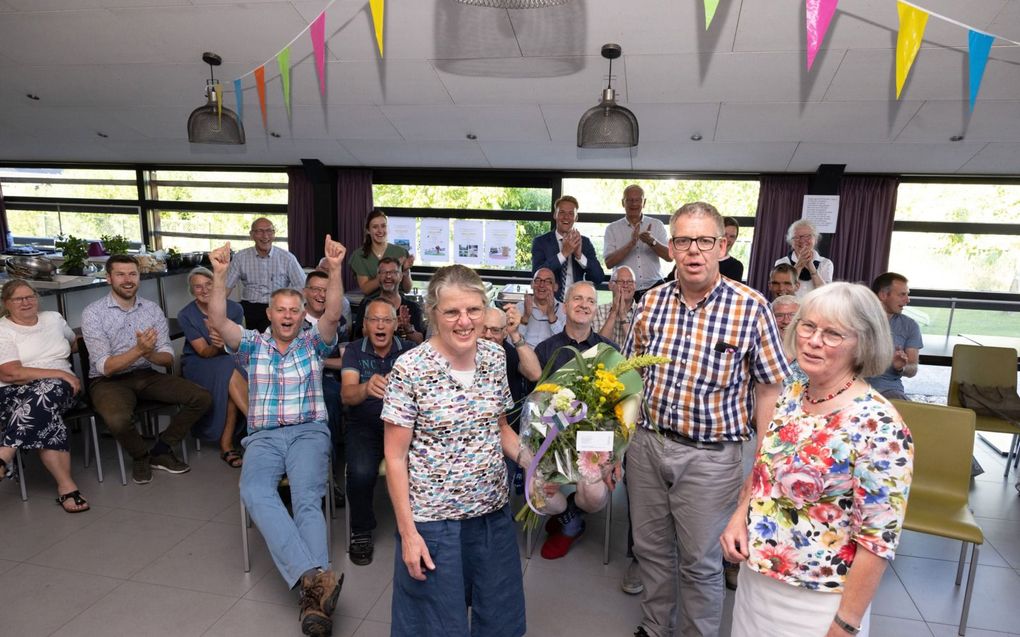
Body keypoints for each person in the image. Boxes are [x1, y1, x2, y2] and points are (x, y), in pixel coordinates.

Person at [625, 202, 790, 637]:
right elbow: (629, 376)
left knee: (699, 561)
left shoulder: (751, 307)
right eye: (683, 241)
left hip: (711, 458)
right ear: (672, 248)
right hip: (647, 446)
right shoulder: (650, 302)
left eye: (704, 241)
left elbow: (770, 388)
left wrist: (762, 463)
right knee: (651, 550)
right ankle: (655, 626)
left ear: (722, 246)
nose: (693, 251)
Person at [722, 282, 913, 637]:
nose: (812, 340)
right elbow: (763, 469)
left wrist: (845, 624)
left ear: (863, 343)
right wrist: (739, 517)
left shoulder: (880, 425)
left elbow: (877, 541)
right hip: (757, 582)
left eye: (832, 333)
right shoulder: (791, 395)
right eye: (808, 326)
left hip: (819, 603)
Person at [207, 237, 346, 637]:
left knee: (306, 500)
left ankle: (310, 598)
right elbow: (219, 320)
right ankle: (315, 580)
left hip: (308, 432)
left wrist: (334, 270)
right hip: (264, 438)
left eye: (294, 310)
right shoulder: (251, 345)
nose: (287, 316)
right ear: (268, 313)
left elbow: (334, 314)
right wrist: (220, 275)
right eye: (280, 310)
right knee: (254, 492)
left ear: (303, 313)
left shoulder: (312, 343)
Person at [382, 264, 527, 637]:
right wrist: (409, 534)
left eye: (473, 310)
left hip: (491, 518)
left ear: (485, 309)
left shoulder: (495, 359)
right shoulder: (410, 369)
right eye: (452, 312)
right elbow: (395, 458)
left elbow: (500, 429)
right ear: (433, 313)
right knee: (434, 627)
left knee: (497, 619)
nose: (464, 322)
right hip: (433, 525)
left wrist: (539, 463)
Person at [82, 255, 212, 485]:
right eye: (120, 274)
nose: (127, 279)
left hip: (145, 374)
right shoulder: (93, 313)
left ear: (139, 277)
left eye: (132, 274)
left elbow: (166, 358)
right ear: (108, 278)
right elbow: (105, 366)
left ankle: (161, 449)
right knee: (117, 419)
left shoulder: (151, 309)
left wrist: (148, 354)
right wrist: (139, 350)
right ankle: (141, 456)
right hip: (107, 381)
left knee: (201, 397)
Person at [533, 281, 620, 560]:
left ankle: (571, 520)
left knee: (595, 497)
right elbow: (534, 409)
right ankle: (566, 516)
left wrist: (617, 455)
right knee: (539, 494)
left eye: (590, 301)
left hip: (595, 446)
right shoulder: (546, 350)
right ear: (565, 304)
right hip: (553, 442)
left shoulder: (609, 351)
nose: (584, 305)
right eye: (577, 299)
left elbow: (621, 408)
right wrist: (540, 457)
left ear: (595, 308)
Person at [0, 279, 88, 513]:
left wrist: (60, 372)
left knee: (47, 393)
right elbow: (10, 373)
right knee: (47, 412)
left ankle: (4, 453)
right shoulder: (2, 329)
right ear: (6, 303)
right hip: (14, 393)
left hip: (61, 390)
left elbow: (75, 343)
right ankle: (66, 487)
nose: (26, 302)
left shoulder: (54, 318)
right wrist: (57, 371)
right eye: (18, 299)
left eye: (30, 296)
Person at [340, 298, 414, 566]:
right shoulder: (354, 352)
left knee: (428, 466)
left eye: (386, 320)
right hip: (364, 423)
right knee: (359, 471)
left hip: (404, 425)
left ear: (395, 324)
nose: (380, 325)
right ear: (365, 325)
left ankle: (421, 527)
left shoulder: (410, 351)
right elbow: (347, 395)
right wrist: (365, 388)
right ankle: (361, 529)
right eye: (374, 320)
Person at [179, 267, 249, 468]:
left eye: (208, 284)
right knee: (229, 368)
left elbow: (237, 345)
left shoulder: (234, 309)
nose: (204, 290)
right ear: (192, 292)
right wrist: (218, 346)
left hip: (230, 359)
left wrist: (225, 345)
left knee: (230, 372)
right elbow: (203, 352)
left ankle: (227, 444)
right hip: (198, 362)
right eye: (197, 287)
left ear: (217, 286)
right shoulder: (186, 314)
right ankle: (259, 427)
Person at [303, 269, 351, 504]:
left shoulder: (339, 321)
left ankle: (328, 477)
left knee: (328, 402)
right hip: (295, 379)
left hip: (327, 378)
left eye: (326, 290)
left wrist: (319, 361)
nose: (321, 295)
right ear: (305, 292)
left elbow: (345, 361)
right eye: (315, 289)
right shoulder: (292, 316)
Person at [225, 217, 308, 332]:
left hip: (277, 307)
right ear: (252, 235)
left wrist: (292, 308)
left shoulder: (287, 258)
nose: (265, 236)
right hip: (249, 307)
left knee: (269, 335)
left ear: (274, 234)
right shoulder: (240, 257)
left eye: (269, 231)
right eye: (259, 231)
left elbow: (303, 287)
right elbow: (225, 287)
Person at [531, 195, 604, 301]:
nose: (566, 217)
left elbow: (598, 278)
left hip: (576, 303)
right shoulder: (540, 242)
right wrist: (563, 254)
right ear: (555, 215)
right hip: (549, 302)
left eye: (571, 213)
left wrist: (579, 256)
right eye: (562, 212)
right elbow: (536, 274)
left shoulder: (585, 243)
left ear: (576, 217)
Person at [604, 185, 670, 300]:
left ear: (644, 202)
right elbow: (609, 263)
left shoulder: (657, 225)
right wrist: (631, 244)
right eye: (629, 200)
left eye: (637, 200)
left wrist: (651, 241)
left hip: (655, 287)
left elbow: (670, 256)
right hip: (624, 289)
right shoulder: (612, 228)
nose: (633, 203)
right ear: (623, 203)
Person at [866, 272, 922, 400]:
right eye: (902, 294)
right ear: (883, 295)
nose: (908, 300)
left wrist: (901, 367)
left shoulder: (910, 326)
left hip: (889, 390)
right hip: (851, 387)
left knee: (906, 414)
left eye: (907, 294)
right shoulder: (855, 319)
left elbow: (913, 369)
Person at [352, 257, 423, 344]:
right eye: (384, 272)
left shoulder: (412, 307)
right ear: (378, 277)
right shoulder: (367, 304)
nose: (388, 276)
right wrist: (390, 325)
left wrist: (407, 327)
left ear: (401, 277)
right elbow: (359, 338)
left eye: (393, 272)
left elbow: (420, 342)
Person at [348, 209, 413, 296]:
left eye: (383, 226)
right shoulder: (359, 255)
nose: (380, 230)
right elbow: (366, 289)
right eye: (375, 227)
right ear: (368, 230)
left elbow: (407, 289)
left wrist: (405, 270)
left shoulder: (400, 252)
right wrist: (392, 270)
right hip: (372, 304)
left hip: (397, 303)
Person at [774, 219, 833, 297]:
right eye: (796, 237)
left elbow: (826, 294)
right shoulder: (781, 263)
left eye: (808, 236)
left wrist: (811, 266)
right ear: (791, 242)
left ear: (815, 239)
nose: (802, 240)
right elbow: (782, 291)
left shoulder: (826, 263)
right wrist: (799, 265)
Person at [516, 267, 565, 347]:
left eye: (548, 282)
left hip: (553, 357)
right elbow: (512, 342)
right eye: (538, 280)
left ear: (555, 287)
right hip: (525, 356)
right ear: (532, 284)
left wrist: (552, 316)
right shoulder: (519, 307)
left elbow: (564, 343)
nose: (542, 285)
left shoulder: (564, 310)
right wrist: (525, 317)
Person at [594, 265, 638, 346]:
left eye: (630, 282)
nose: (625, 285)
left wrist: (623, 318)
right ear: (610, 285)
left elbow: (637, 348)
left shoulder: (642, 312)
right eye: (621, 282)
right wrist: (614, 312)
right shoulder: (598, 310)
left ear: (635, 286)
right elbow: (599, 347)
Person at [718, 216, 745, 281]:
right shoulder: (702, 260)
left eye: (732, 236)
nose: (727, 240)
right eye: (724, 235)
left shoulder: (736, 266)